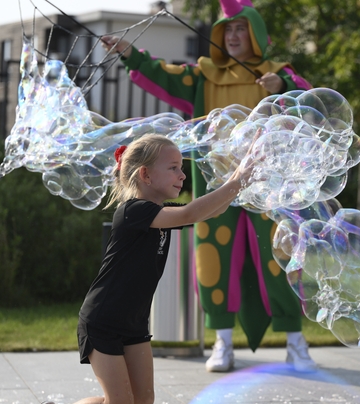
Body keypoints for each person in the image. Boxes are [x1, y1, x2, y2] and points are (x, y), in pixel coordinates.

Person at [101, 0, 317, 373]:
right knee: (214, 262)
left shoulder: (276, 74)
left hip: (269, 189)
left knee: (280, 260)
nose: (232, 36)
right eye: (227, 30)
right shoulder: (203, 75)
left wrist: (282, 86)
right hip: (215, 187)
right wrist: (130, 53)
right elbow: (164, 72)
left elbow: (309, 102)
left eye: (240, 29)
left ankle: (296, 343)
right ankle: (223, 341)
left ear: (255, 35)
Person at [33, 134, 256, 404]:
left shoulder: (160, 214)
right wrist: (236, 180)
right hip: (104, 319)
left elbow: (209, 211)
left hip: (133, 321)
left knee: (144, 399)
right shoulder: (135, 211)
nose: (182, 175)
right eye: (173, 168)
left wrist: (242, 179)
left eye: (182, 168)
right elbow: (194, 211)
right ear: (145, 176)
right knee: (118, 403)